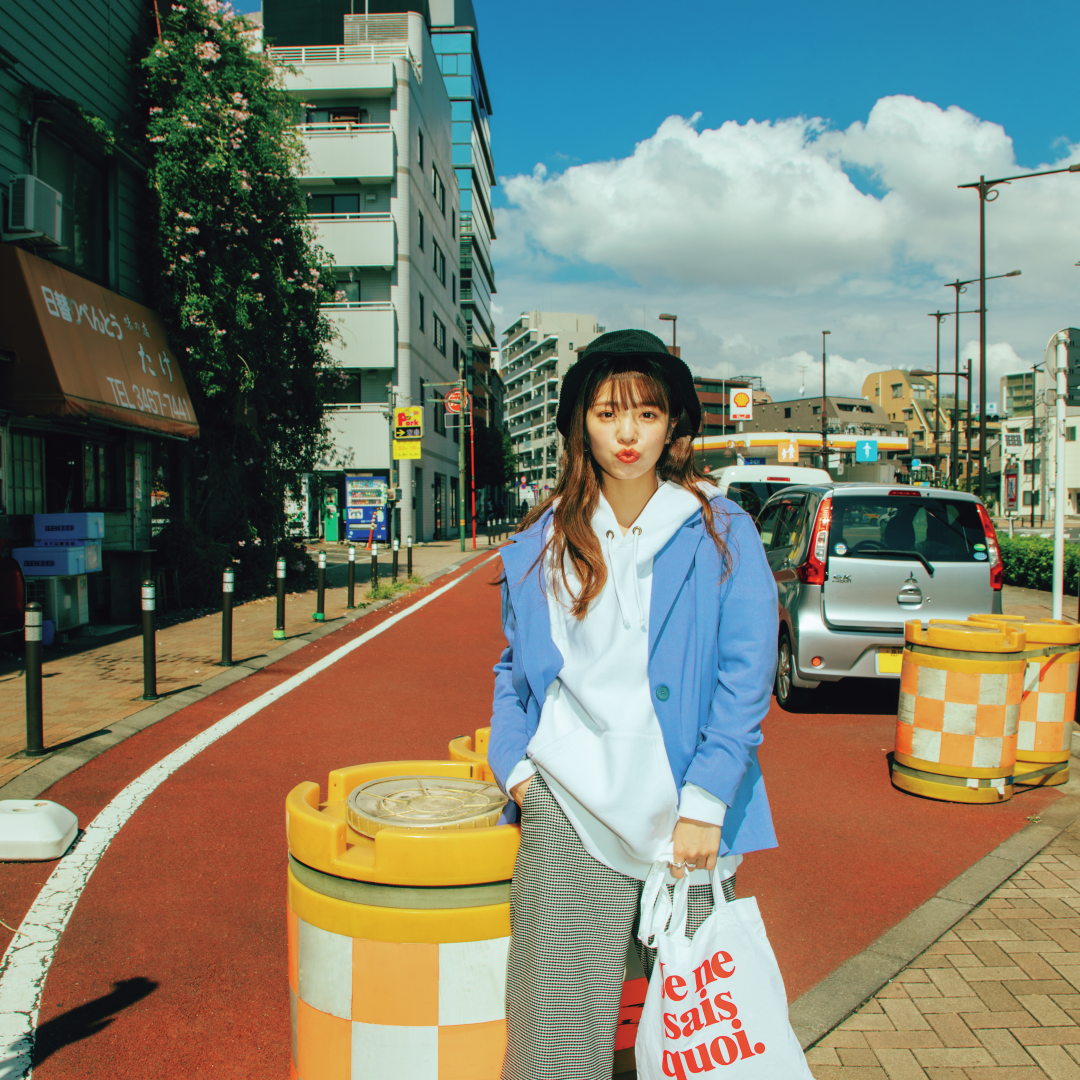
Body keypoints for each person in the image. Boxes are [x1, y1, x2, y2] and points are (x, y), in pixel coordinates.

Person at [488, 329, 779, 1080]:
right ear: (579, 421)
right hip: (571, 812)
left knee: (698, 1044)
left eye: (648, 415)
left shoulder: (720, 532)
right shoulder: (543, 543)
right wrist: (515, 768)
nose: (627, 433)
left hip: (687, 826)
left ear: (673, 425)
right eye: (608, 412)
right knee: (555, 1041)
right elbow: (515, 670)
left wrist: (708, 801)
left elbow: (744, 679)